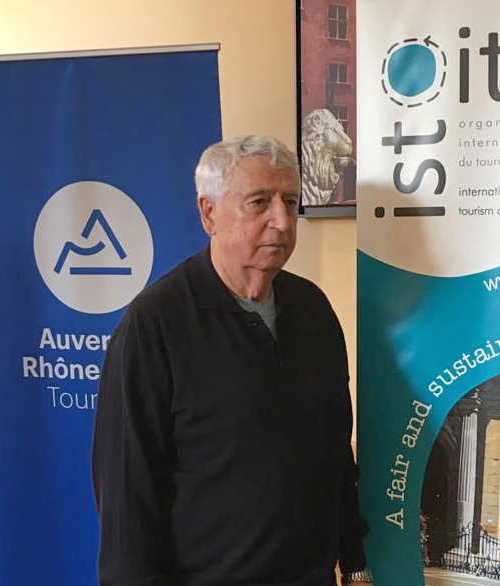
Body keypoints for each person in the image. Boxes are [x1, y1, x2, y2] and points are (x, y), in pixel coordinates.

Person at [92, 136, 371, 586]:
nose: (282, 220)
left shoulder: (313, 310)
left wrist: (355, 564)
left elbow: (335, 454)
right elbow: (127, 492)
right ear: (209, 214)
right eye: (259, 203)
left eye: (290, 202)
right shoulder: (156, 323)